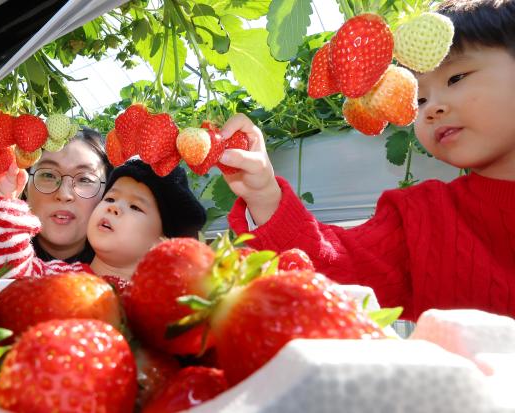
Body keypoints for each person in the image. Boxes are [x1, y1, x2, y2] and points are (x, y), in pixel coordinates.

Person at [216, 0, 515, 321]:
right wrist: (264, 196)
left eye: (456, 78)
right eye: (420, 98)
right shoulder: (422, 219)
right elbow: (332, 270)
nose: (431, 108)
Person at [0, 158, 207, 280]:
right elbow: (6, 271)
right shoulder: (56, 276)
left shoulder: (168, 300)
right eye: (110, 199)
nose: (114, 208)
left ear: (162, 243)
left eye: (135, 207)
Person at [0, 127, 113, 264]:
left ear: (108, 192)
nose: (64, 194)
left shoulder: (128, 269)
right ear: (25, 185)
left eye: (85, 179)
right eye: (48, 175)